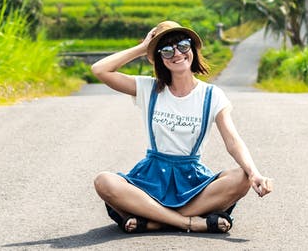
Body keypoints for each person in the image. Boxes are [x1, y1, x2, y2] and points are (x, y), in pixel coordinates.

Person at [91, 21, 273, 234]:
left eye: (183, 45)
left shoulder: (212, 95)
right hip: (151, 178)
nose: (177, 53)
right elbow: (99, 70)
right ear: (160, 58)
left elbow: (233, 140)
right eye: (166, 50)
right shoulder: (148, 88)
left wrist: (254, 174)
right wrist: (143, 48)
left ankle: (155, 220)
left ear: (192, 50)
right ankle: (189, 222)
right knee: (104, 181)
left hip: (191, 181)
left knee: (241, 178)